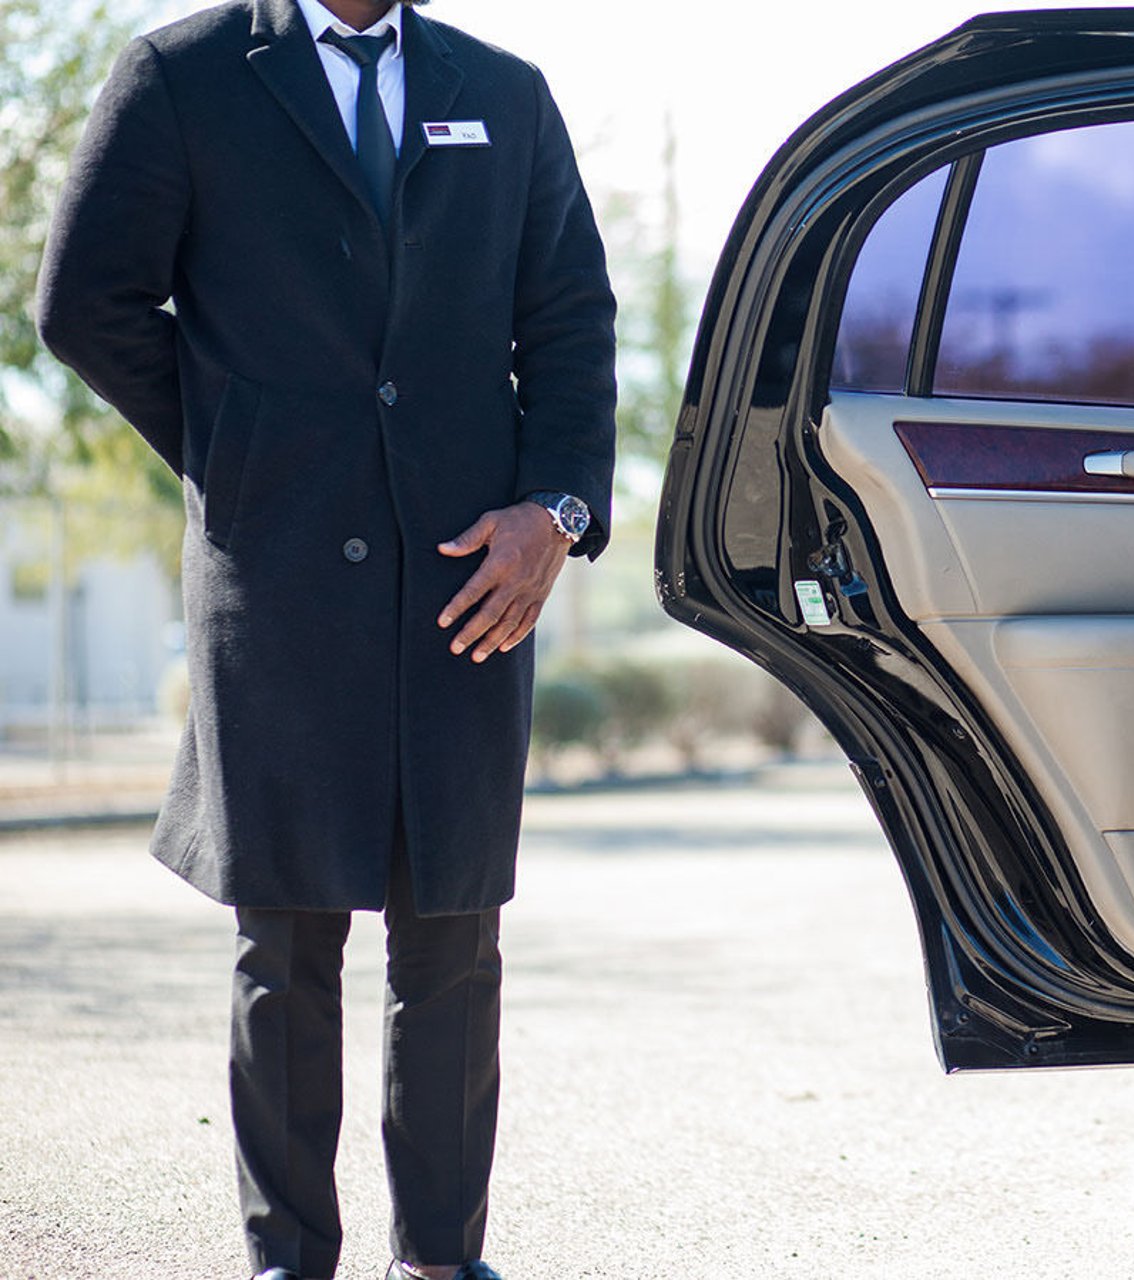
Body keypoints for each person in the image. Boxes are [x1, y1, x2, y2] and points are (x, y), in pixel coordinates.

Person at [36, 0, 617, 1274]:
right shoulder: (180, 77)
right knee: (287, 936)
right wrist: (241, 451)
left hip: (471, 577)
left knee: (454, 932)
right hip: (279, 579)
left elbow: (572, 320)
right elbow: (87, 300)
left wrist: (557, 513)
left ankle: (442, 1256)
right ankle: (288, 1257)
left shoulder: (504, 93)